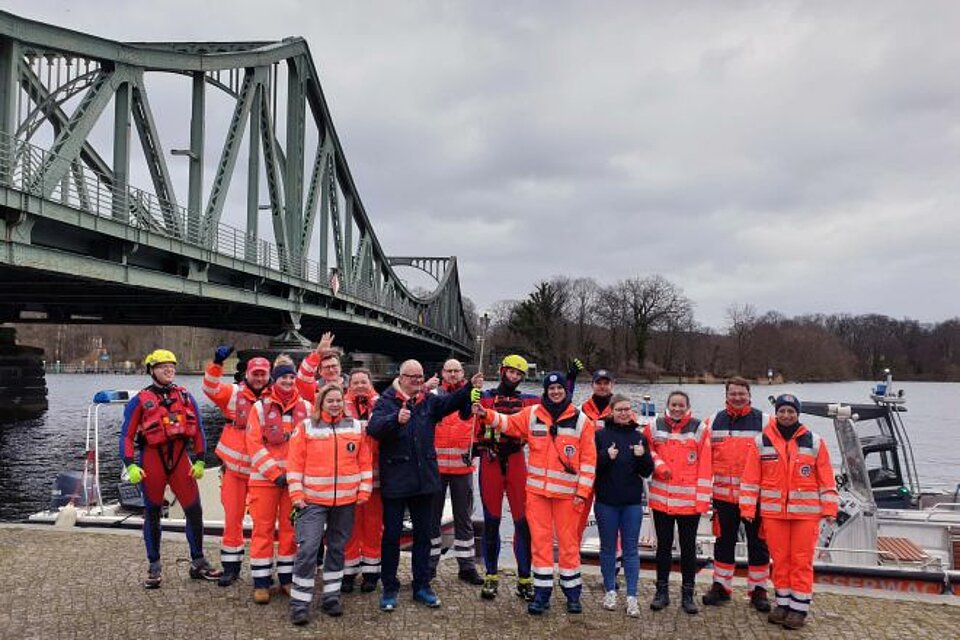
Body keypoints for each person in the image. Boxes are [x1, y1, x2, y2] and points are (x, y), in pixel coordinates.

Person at [367, 359, 482, 612]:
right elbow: (374, 429)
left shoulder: (428, 401)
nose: (418, 381)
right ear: (402, 376)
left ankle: (422, 585)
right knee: (391, 537)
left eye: (421, 377)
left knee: (424, 536)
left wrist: (468, 387)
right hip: (396, 480)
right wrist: (396, 419)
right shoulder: (386, 401)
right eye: (413, 377)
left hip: (424, 481)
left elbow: (449, 403)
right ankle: (389, 587)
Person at [477, 371, 596, 615]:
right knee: (540, 545)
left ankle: (572, 594)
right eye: (551, 389)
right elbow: (508, 423)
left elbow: (589, 461)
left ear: (565, 390)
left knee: (569, 544)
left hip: (568, 496)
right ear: (546, 392)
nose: (555, 392)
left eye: (559, 389)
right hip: (538, 494)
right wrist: (486, 414)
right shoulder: (533, 415)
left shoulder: (581, 420)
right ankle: (542, 595)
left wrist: (582, 493)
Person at [119, 349, 222, 589]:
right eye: (163, 366)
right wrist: (130, 464)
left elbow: (197, 430)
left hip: (179, 461)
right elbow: (126, 435)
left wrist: (199, 460)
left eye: (172, 366)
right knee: (153, 513)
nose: (169, 370)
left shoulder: (185, 396)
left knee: (194, 511)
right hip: (152, 461)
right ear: (152, 370)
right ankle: (154, 566)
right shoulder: (140, 400)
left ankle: (198, 562)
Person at [740, 394, 838, 630]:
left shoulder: (814, 442)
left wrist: (830, 508)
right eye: (781, 411)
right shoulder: (761, 442)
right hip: (774, 515)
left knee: (801, 561)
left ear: (797, 413)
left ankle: (799, 609)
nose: (785, 415)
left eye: (790, 411)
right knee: (780, 561)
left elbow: (826, 479)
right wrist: (747, 508)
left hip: (805, 515)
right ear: (776, 413)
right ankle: (783, 604)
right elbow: (751, 479)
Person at [287, 384, 373, 625]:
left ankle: (331, 597)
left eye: (338, 400)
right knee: (307, 549)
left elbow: (364, 462)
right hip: (312, 500)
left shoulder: (356, 427)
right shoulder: (305, 428)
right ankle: (299, 603)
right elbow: (294, 465)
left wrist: (364, 490)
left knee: (337, 548)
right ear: (320, 403)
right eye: (330, 400)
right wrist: (297, 495)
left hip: (345, 501)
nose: (335, 404)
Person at [202, 346, 271, 586]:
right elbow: (210, 387)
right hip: (233, 469)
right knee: (233, 519)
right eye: (256, 373)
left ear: (269, 375)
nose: (259, 378)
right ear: (248, 374)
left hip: (261, 473)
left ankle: (264, 570)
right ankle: (231, 568)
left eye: (263, 374)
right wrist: (217, 362)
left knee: (264, 522)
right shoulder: (232, 393)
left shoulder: (274, 399)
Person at [245, 355, 312, 604]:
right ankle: (261, 583)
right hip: (265, 481)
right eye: (283, 376)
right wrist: (275, 474)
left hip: (293, 483)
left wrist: (297, 478)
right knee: (262, 530)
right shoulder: (260, 408)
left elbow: (310, 443)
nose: (288, 381)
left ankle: (287, 579)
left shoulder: (305, 407)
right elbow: (253, 444)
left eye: (291, 377)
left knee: (290, 531)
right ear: (275, 379)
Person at [702, 377, 772, 611]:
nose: (737, 398)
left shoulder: (764, 422)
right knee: (723, 542)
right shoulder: (713, 421)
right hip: (723, 497)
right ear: (726, 395)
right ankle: (721, 586)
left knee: (759, 544)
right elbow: (701, 456)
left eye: (742, 393)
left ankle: (759, 590)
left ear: (749, 395)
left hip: (755, 497)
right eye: (733, 394)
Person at [645, 390, 712, 615]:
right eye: (673, 404)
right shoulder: (655, 425)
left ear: (687, 406)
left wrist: (702, 502)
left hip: (689, 503)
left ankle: (687, 594)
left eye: (680, 405)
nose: (676, 409)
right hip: (662, 500)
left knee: (688, 549)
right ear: (668, 405)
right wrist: (657, 463)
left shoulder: (699, 428)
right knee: (663, 547)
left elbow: (705, 466)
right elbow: (646, 449)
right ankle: (661, 592)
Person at [593, 393, 654, 617]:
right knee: (608, 549)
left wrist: (642, 457)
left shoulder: (639, 437)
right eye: (619, 409)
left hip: (631, 503)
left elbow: (647, 471)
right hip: (606, 502)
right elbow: (593, 468)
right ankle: (610, 590)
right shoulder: (600, 435)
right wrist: (605, 456)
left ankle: (632, 596)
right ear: (611, 411)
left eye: (627, 409)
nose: (624, 413)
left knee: (631, 551)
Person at [429, 359, 484, 585]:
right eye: (449, 370)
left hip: (462, 467)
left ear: (463, 373)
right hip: (437, 468)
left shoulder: (473, 395)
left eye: (456, 371)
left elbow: (481, 426)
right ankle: (429, 566)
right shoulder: (433, 394)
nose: (452, 374)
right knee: (432, 519)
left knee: (464, 519)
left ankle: (467, 567)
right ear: (442, 372)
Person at [341, 368, 383, 594]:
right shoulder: (340, 406)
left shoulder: (381, 405)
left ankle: (371, 572)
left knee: (373, 527)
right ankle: (347, 573)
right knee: (348, 528)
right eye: (355, 382)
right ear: (349, 385)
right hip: (349, 479)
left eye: (363, 382)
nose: (359, 386)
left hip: (375, 478)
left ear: (370, 383)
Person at [577, 369, 617, 555]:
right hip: (586, 471)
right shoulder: (581, 410)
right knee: (577, 518)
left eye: (605, 383)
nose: (602, 386)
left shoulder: (620, 409)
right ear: (592, 385)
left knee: (610, 523)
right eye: (598, 382)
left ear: (612, 385)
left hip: (610, 472)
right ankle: (572, 562)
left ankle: (612, 568)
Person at [296, 331, 347, 399]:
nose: (331, 370)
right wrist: (317, 354)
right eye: (327, 367)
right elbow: (303, 377)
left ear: (340, 367)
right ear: (320, 371)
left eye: (334, 366)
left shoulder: (354, 385)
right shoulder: (314, 390)